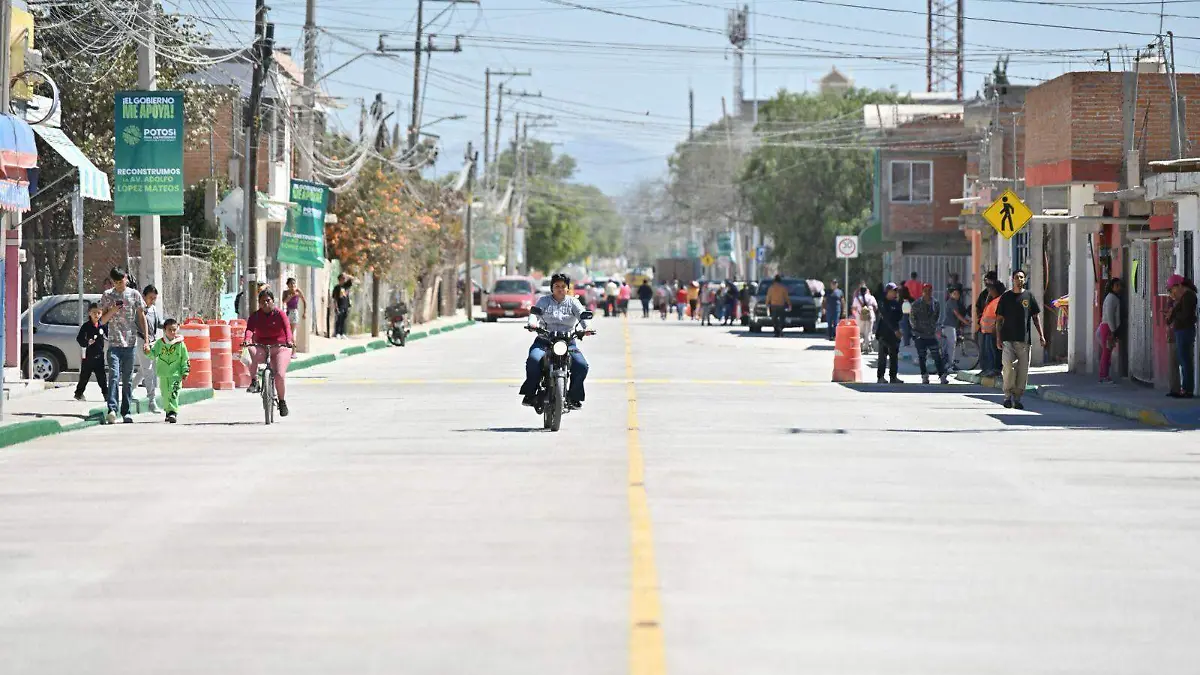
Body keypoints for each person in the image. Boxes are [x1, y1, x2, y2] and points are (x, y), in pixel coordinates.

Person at [520, 273, 594, 410]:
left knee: (581, 365)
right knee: (533, 360)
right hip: (544, 341)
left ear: (567, 288)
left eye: (563, 286)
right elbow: (534, 315)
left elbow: (583, 316)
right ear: (552, 288)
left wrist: (587, 328)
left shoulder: (573, 302)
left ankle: (574, 397)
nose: (560, 289)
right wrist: (532, 324)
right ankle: (530, 394)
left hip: (567, 342)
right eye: (557, 286)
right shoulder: (543, 301)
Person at [99, 267, 150, 424]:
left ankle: (126, 411)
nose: (119, 285)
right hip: (114, 343)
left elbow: (142, 318)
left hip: (130, 343)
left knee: (127, 379)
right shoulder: (108, 296)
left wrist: (147, 339)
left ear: (126, 279)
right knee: (114, 376)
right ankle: (112, 409)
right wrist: (113, 309)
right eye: (116, 282)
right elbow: (102, 321)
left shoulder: (134, 295)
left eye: (121, 281)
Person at [995, 269, 1047, 410]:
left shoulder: (1029, 296)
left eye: (1022, 277)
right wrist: (998, 338)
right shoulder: (1006, 297)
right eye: (1017, 277)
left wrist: (1041, 336)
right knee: (1008, 367)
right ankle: (1007, 396)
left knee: (1023, 371)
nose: (1019, 279)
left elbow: (1036, 317)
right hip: (1007, 340)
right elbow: (999, 320)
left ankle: (1017, 398)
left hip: (1024, 340)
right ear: (1013, 279)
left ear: (1025, 279)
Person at [244, 289, 296, 417]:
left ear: (273, 301)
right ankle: (254, 381)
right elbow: (249, 330)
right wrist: (246, 340)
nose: (266, 304)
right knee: (250, 349)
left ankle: (282, 402)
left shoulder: (280, 314)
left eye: (268, 301)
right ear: (259, 304)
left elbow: (287, 329)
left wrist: (289, 341)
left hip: (280, 347)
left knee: (279, 375)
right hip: (262, 346)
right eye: (262, 302)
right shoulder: (255, 316)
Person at [149, 318, 190, 423]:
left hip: (176, 374)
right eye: (169, 330)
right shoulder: (160, 343)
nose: (172, 332)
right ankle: (168, 411)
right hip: (163, 374)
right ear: (164, 330)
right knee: (165, 394)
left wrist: (185, 371)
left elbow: (185, 358)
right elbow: (152, 354)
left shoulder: (180, 344)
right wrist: (147, 351)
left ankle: (173, 412)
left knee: (173, 392)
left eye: (174, 330)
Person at [131, 284, 163, 413]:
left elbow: (159, 323)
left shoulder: (154, 309)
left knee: (144, 370)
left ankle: (130, 389)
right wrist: (146, 341)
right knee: (148, 371)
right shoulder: (139, 310)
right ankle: (151, 400)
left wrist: (171, 324)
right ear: (144, 297)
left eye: (154, 298)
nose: (152, 300)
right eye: (150, 298)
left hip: (153, 342)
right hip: (142, 341)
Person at [910, 283, 948, 385]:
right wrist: (916, 330)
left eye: (929, 290)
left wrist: (932, 327)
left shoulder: (935, 303)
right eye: (925, 290)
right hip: (920, 334)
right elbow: (912, 318)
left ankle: (942, 376)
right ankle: (924, 376)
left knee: (937, 356)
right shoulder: (916, 304)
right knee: (922, 357)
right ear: (922, 291)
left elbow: (936, 316)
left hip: (931, 334)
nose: (927, 292)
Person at [1166, 274, 1198, 398]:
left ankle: (1187, 389)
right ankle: (1184, 388)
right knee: (1183, 359)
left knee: (1185, 361)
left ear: (1179, 286)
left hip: (1185, 331)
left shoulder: (1188, 296)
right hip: (1181, 331)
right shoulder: (1183, 297)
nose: (1172, 292)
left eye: (1172, 289)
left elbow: (1185, 316)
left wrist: (1174, 315)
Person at [74, 303, 109, 403]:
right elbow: (79, 339)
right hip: (88, 356)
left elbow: (109, 335)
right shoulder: (86, 326)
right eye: (94, 312)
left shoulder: (102, 326)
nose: (96, 315)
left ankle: (106, 394)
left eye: (98, 313)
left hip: (99, 356)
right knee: (84, 376)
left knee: (102, 377)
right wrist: (86, 342)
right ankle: (78, 393)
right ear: (89, 313)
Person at [876, 283, 903, 384]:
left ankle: (893, 376)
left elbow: (899, 316)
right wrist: (896, 330)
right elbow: (886, 318)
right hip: (884, 333)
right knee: (883, 357)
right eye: (893, 291)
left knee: (894, 356)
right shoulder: (882, 302)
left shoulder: (896, 303)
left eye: (896, 291)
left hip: (894, 335)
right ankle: (880, 377)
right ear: (888, 291)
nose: (895, 293)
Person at [1097, 277, 1123, 384]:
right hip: (1108, 327)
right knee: (1106, 352)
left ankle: (1104, 375)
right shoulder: (1112, 298)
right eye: (1117, 285)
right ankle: (1104, 375)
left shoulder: (1112, 297)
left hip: (1107, 327)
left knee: (1107, 352)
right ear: (1112, 287)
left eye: (1119, 285)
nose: (1119, 288)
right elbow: (1110, 315)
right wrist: (1113, 331)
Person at [938, 285, 969, 371]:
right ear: (951, 294)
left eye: (958, 294)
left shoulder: (951, 301)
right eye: (954, 293)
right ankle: (950, 366)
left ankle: (946, 365)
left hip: (948, 326)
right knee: (951, 347)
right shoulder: (952, 302)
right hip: (949, 327)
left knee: (947, 347)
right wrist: (965, 321)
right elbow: (957, 314)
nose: (957, 295)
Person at [978, 281, 1004, 377]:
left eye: (991, 290)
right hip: (986, 331)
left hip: (993, 331)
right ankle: (987, 369)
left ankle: (995, 370)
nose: (989, 292)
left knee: (993, 352)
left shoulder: (999, 301)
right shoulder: (992, 300)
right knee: (986, 353)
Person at [851, 284, 877, 354]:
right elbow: (875, 307)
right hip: (869, 316)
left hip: (860, 316)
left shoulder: (857, 298)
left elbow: (853, 308)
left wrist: (855, 314)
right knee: (868, 332)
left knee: (860, 332)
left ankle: (860, 346)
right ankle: (867, 347)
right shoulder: (871, 298)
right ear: (866, 291)